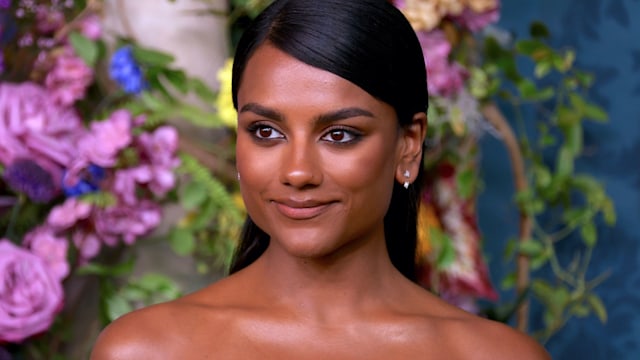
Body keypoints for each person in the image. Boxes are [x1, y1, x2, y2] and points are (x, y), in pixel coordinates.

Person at [90, 0, 551, 358]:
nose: (297, 172)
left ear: (408, 145)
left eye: (340, 135)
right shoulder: (145, 351)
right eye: (265, 132)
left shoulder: (495, 356)